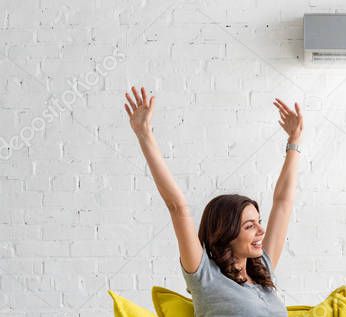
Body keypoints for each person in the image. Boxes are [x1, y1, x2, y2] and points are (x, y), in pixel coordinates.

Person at [122, 86, 303, 316]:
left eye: (258, 221)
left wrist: (294, 141)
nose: (261, 230)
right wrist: (144, 134)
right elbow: (177, 207)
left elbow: (283, 203)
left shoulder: (262, 269)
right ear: (226, 233)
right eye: (249, 225)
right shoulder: (205, 277)